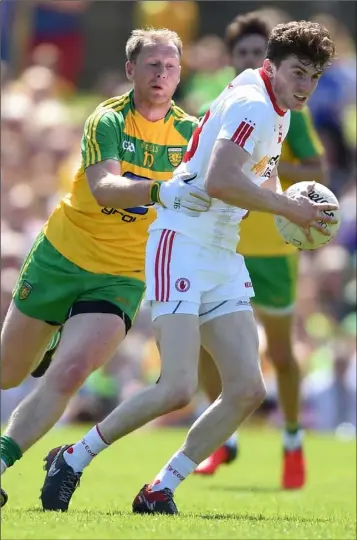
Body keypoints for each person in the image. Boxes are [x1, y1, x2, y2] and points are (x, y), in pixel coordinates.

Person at [39, 20, 336, 514]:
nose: (305, 85)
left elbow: (244, 175)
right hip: (180, 240)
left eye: (314, 77)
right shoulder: (255, 105)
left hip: (221, 247)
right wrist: (289, 209)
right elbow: (220, 180)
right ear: (271, 67)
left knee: (246, 387)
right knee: (177, 386)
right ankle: (72, 457)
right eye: (298, 72)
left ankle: (160, 488)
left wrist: (290, 208)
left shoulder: (272, 102)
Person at [0, 27, 210, 508]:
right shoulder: (108, 119)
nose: (161, 74)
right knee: (9, 374)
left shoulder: (189, 134)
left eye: (170, 66)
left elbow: (215, 187)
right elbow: (105, 188)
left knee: (71, 371)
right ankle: (52, 334)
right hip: (62, 256)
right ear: (130, 70)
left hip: (122, 275)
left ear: (180, 74)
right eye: (152, 65)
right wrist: (163, 190)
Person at [195, 10, 327, 489]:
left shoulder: (292, 111)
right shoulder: (232, 103)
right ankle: (220, 441)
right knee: (203, 345)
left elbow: (315, 166)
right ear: (239, 60)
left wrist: (268, 187)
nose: (251, 59)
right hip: (223, 242)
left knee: (280, 351)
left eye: (258, 51)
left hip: (272, 246)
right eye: (245, 54)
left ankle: (292, 441)